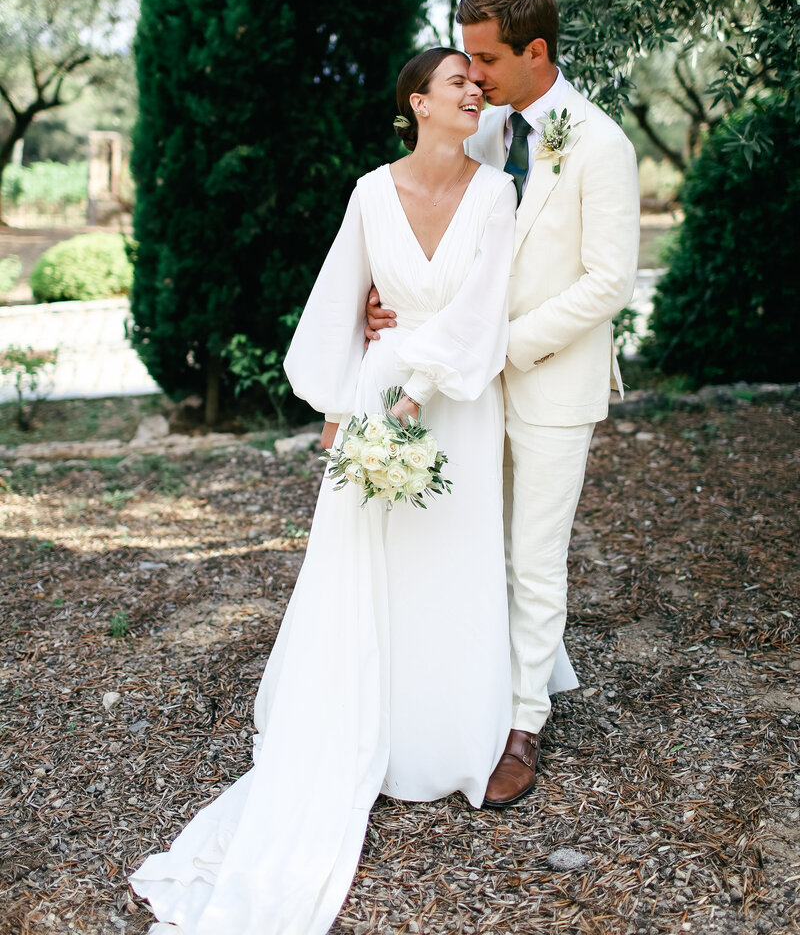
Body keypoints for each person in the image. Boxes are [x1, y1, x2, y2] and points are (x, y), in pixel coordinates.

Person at [130, 47, 574, 935]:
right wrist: (350, 406)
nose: (475, 89)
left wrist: (419, 389)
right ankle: (364, 723)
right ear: (418, 101)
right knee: (370, 563)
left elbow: (482, 308)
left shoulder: (496, 192)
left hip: (455, 401)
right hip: (383, 396)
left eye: (475, 82)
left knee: (451, 554)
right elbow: (338, 297)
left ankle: (445, 734)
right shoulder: (372, 192)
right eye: (458, 81)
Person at [367, 0, 640, 807]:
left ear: (536, 53)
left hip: (553, 384)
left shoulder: (600, 145)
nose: (474, 76)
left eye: (485, 59)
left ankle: (522, 725)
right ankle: (481, 691)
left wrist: (503, 347)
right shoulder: (484, 135)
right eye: (466, 60)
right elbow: (455, 243)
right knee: (477, 544)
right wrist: (397, 305)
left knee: (536, 558)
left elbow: (609, 282)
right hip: (472, 390)